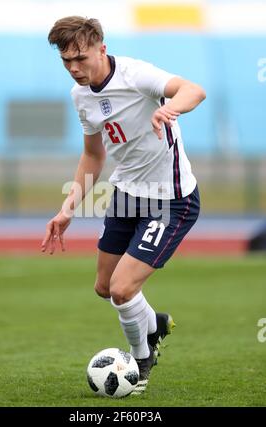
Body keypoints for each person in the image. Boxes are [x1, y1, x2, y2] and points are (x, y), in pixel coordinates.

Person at [42, 16, 205, 395]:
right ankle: (155, 324)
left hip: (171, 199)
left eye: (80, 58)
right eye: (66, 61)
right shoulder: (80, 95)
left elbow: (194, 90)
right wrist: (68, 208)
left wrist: (171, 108)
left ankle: (140, 358)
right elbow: (93, 155)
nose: (74, 68)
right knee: (103, 286)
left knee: (121, 289)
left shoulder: (135, 75)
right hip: (127, 195)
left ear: (101, 47)